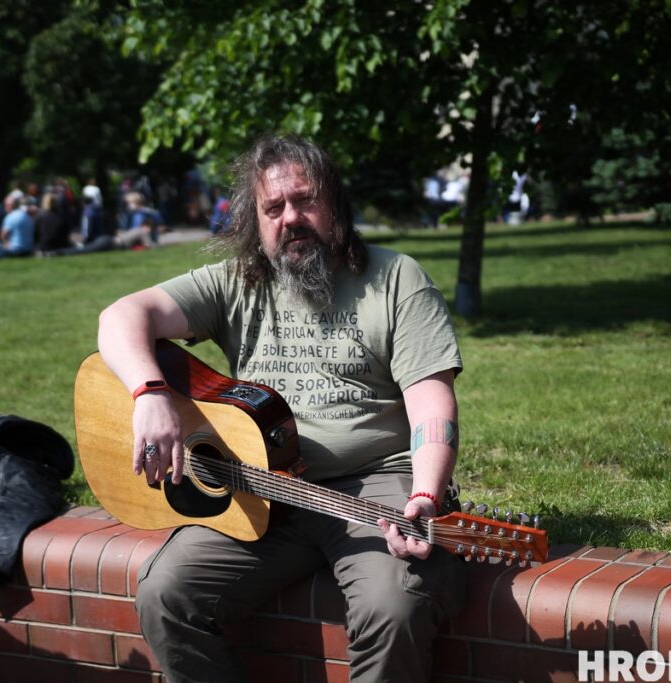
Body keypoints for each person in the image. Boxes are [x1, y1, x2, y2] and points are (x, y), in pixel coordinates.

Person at [97, 133, 466, 683]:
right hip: (261, 489)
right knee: (166, 594)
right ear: (256, 220)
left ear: (335, 205)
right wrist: (150, 395)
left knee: (395, 609)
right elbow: (122, 315)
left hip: (377, 483)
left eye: (305, 200)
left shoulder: (396, 279)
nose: (290, 217)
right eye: (274, 207)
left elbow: (431, 401)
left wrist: (425, 493)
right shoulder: (237, 281)